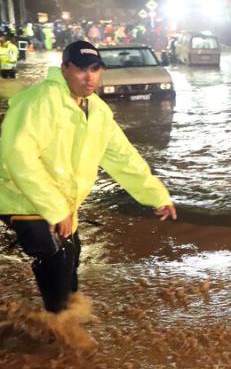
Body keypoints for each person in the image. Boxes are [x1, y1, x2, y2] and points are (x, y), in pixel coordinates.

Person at [0, 40, 177, 316]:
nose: (89, 77)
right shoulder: (41, 100)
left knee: (72, 253)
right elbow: (17, 155)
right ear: (65, 68)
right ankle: (56, 329)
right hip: (18, 196)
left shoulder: (97, 111)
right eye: (82, 69)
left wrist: (156, 194)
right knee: (54, 255)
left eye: (95, 69)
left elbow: (123, 157)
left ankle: (69, 316)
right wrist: (56, 210)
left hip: (59, 201)